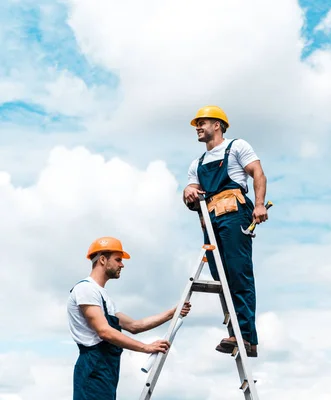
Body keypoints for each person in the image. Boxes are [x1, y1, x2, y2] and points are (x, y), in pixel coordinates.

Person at [182, 105, 268, 358]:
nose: (198, 127)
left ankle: (244, 335)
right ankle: (242, 336)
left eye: (203, 122)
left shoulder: (237, 147)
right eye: (197, 124)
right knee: (220, 276)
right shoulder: (196, 164)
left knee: (238, 272)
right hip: (210, 218)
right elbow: (192, 195)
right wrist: (187, 193)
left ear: (218, 125)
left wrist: (260, 204)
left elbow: (258, 174)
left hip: (233, 211)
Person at [67, 236, 192, 400]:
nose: (122, 264)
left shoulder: (103, 296)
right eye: (118, 260)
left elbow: (134, 325)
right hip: (93, 368)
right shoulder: (85, 289)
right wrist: (146, 347)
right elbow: (104, 331)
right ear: (103, 260)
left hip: (106, 371)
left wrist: (172, 313)